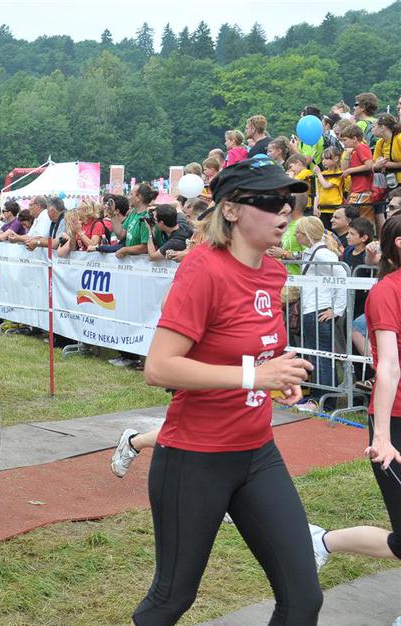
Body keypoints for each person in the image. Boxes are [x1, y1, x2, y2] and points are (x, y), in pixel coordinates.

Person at [130, 157, 322, 625]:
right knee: (172, 599)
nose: (285, 210)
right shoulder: (203, 268)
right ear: (232, 210)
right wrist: (255, 377)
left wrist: (281, 375)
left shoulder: (273, 273)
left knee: (304, 598)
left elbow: (253, 350)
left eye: (288, 201)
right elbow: (159, 367)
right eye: (271, 200)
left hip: (257, 453)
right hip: (194, 457)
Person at [307, 215, 401, 618]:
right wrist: (382, 436)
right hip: (395, 422)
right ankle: (323, 542)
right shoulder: (387, 291)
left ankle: (322, 542)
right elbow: (389, 368)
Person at [292, 216, 346, 414]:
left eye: (298, 233)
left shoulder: (323, 254)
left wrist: (337, 310)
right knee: (316, 355)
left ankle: (323, 401)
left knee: (322, 357)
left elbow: (343, 277)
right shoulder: (313, 252)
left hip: (319, 309)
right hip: (312, 308)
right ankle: (318, 397)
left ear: (307, 234)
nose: (296, 236)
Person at [340, 125, 375, 225]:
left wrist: (350, 170)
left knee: (362, 220)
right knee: (355, 219)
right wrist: (347, 155)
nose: (343, 143)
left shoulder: (361, 147)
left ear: (354, 138)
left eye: (345, 140)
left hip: (364, 189)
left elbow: (369, 165)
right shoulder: (354, 151)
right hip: (356, 189)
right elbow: (344, 169)